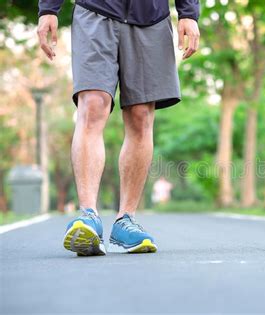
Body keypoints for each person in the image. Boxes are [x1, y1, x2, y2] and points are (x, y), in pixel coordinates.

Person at [37, 0, 200, 255]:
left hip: (151, 18)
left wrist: (189, 13)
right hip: (96, 10)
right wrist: (48, 8)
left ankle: (126, 220)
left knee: (141, 115)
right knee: (92, 104)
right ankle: (88, 215)